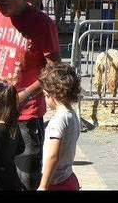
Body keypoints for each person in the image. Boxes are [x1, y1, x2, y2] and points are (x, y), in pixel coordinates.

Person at [0, 0, 61, 190]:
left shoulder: (43, 24)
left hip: (27, 113)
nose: (0, 9)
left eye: (4, 3)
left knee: (26, 177)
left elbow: (53, 68)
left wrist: (26, 94)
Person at [37, 63, 81, 191]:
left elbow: (53, 155)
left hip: (56, 183)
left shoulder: (58, 120)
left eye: (45, 96)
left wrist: (43, 185)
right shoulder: (73, 115)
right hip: (69, 178)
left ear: (51, 95)